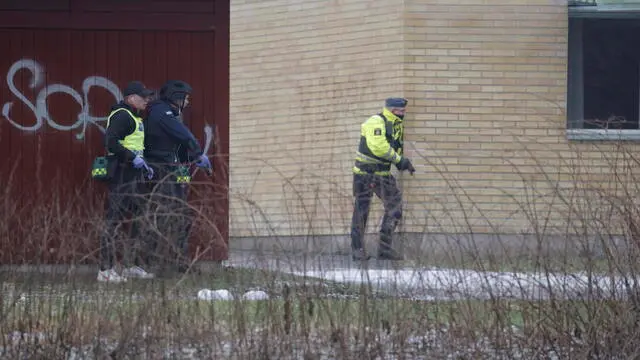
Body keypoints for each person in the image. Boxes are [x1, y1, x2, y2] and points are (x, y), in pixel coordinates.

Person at [142, 79, 212, 274]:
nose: (188, 102)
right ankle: (159, 263)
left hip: (168, 167)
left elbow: (174, 146)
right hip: (161, 170)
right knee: (168, 216)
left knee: (179, 216)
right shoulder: (162, 113)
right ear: (176, 97)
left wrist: (191, 157)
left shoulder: (167, 113)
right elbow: (183, 135)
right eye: (186, 98)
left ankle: (180, 262)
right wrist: (198, 153)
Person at [98, 81, 156, 283]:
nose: (147, 100)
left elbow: (134, 145)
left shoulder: (135, 117)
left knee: (138, 220)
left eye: (148, 97)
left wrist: (144, 165)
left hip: (134, 174)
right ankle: (105, 270)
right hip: (122, 174)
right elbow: (111, 142)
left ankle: (132, 265)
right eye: (143, 96)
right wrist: (133, 158)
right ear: (131, 98)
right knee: (114, 221)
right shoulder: (122, 115)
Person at [350, 97, 416, 261]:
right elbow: (378, 147)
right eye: (399, 111)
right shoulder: (376, 121)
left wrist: (403, 163)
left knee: (395, 207)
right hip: (365, 173)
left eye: (403, 111)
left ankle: (384, 249)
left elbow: (394, 147)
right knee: (362, 211)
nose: (402, 113)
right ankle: (357, 249)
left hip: (383, 174)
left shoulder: (396, 125)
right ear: (391, 109)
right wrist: (399, 161)